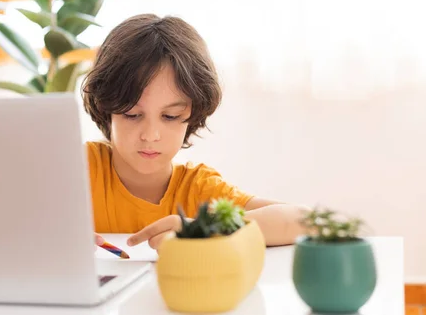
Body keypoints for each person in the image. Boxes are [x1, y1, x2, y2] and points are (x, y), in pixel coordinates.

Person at [81, 14, 308, 250]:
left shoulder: (198, 189)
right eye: (132, 115)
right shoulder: (80, 170)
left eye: (170, 116)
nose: (150, 135)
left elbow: (305, 220)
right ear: (106, 108)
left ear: (192, 115)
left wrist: (205, 228)